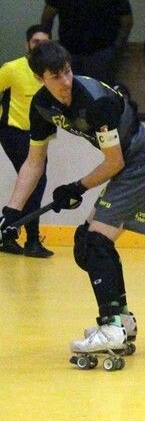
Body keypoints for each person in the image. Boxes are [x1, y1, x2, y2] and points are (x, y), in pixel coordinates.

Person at [1, 41, 145, 360]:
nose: (66, 81)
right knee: (87, 244)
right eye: (56, 76)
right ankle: (121, 320)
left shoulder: (94, 101)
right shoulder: (41, 106)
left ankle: (110, 326)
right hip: (131, 168)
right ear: (41, 79)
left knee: (96, 243)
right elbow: (33, 162)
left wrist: (75, 187)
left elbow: (114, 163)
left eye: (67, 71)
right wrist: (10, 212)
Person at [41, 0, 133, 85]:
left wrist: (117, 46)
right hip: (69, 52)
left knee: (100, 93)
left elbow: (127, 20)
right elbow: (48, 15)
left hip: (101, 53)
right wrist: (47, 43)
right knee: (69, 91)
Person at [0, 25, 54, 257]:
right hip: (15, 132)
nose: (40, 46)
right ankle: (30, 239)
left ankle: (11, 234)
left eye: (45, 42)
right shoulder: (12, 68)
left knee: (35, 183)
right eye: (35, 42)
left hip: (39, 135)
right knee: (36, 181)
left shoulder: (52, 71)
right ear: (27, 45)